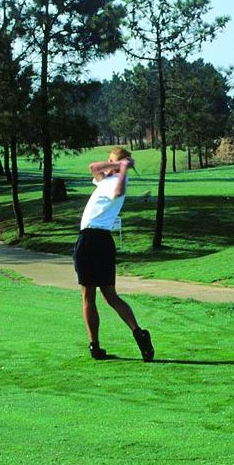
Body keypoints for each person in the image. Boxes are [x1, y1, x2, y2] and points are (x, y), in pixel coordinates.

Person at [74, 147, 154, 362]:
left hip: (92, 240)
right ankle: (96, 347)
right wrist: (118, 164)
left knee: (98, 295)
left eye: (111, 161)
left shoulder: (119, 181)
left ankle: (138, 334)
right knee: (97, 295)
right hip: (98, 241)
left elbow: (118, 192)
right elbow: (93, 167)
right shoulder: (105, 179)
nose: (107, 165)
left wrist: (122, 169)